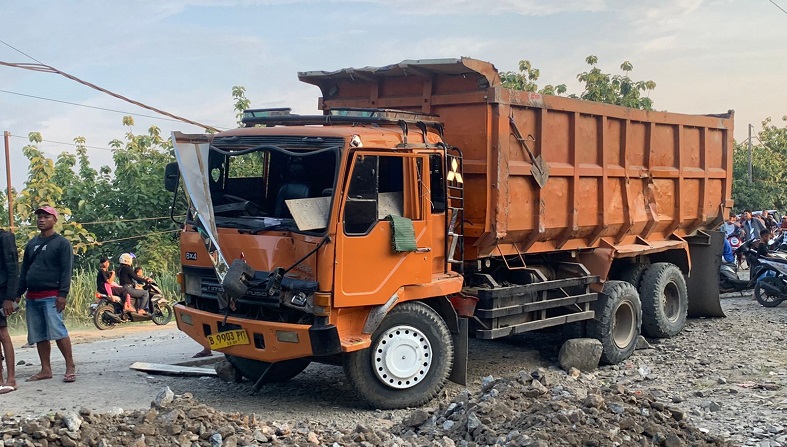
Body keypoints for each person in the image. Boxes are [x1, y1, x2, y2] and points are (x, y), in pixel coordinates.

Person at [16, 206, 76, 383]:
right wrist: (18, 294)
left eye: (46, 217)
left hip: (52, 295)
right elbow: (25, 270)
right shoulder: (32, 244)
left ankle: (70, 365)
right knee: (39, 334)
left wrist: (62, 294)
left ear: (54, 220)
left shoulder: (62, 243)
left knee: (58, 331)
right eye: (39, 217)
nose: (41, 220)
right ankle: (45, 369)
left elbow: (66, 271)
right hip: (32, 296)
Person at [0, 226, 19, 394]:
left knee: (3, 334)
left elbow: (13, 268)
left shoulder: (5, 237)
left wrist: (10, 297)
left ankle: (11, 378)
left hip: (2, 292)